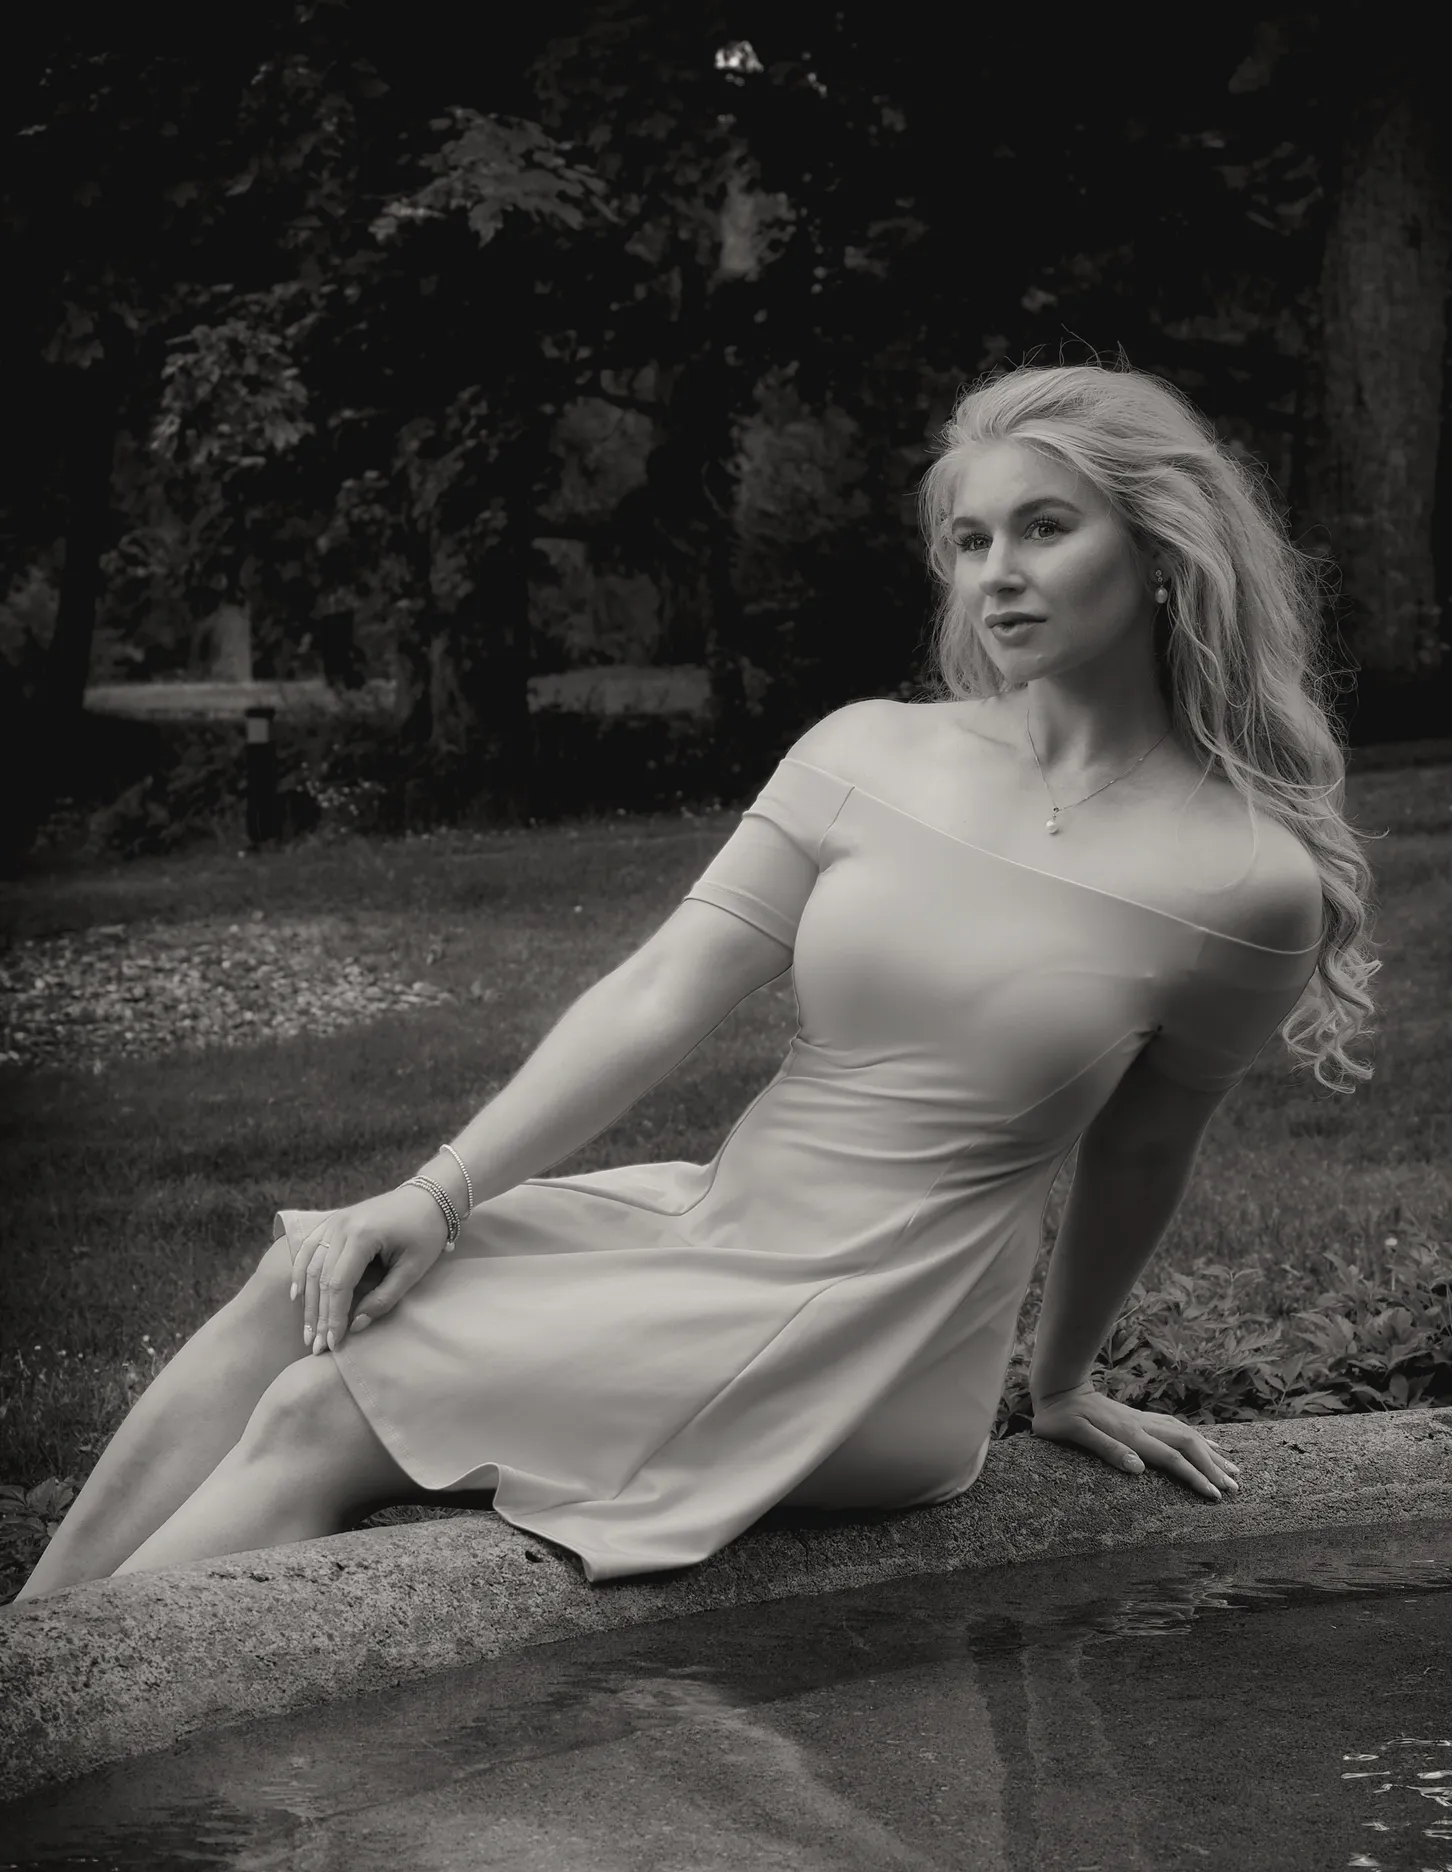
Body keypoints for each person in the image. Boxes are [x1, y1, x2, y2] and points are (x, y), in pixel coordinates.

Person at [16, 360, 1376, 1602]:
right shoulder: (870, 752)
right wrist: (436, 1195)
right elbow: (662, 987)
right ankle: (34, 1655)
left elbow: (1144, 1150)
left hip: (881, 1337)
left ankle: (59, 1785)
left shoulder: (1244, 878)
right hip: (715, 1228)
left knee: (326, 1414)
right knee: (311, 1278)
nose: (994, 575)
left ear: (1159, 551)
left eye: (1045, 528)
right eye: (969, 540)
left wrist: (1062, 1382)